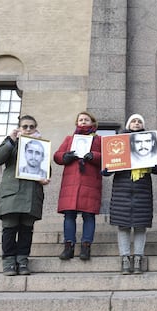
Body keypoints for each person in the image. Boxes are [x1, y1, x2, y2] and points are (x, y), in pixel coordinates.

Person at [102, 114, 157, 274]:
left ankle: (138, 258)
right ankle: (125, 258)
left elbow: (156, 170)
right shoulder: (118, 141)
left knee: (140, 226)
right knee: (123, 226)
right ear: (129, 124)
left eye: (139, 121)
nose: (136, 123)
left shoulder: (150, 143)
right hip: (122, 189)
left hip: (142, 189)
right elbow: (109, 168)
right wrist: (106, 169)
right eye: (133, 121)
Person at [0, 115, 50, 276]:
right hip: (12, 193)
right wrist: (11, 140)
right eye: (25, 126)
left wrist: (45, 179)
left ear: (36, 127)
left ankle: (22, 261)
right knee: (9, 229)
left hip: (32, 194)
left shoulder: (41, 145)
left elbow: (46, 169)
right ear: (19, 128)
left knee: (26, 230)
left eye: (32, 126)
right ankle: (9, 262)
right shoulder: (11, 142)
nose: (29, 129)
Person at [53, 111, 102, 261]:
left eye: (86, 120)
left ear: (92, 123)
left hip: (90, 182)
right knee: (69, 215)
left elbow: (107, 157)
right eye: (80, 120)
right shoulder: (69, 139)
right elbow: (57, 155)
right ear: (76, 123)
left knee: (88, 215)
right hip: (71, 183)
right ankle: (69, 246)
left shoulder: (98, 140)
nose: (83, 122)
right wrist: (64, 156)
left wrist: (94, 156)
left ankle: (86, 246)